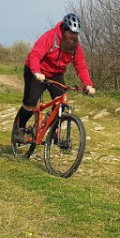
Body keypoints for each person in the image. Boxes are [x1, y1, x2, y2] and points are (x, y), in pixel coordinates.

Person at [13, 13, 96, 143]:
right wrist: (36, 72)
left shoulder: (75, 46)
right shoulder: (51, 37)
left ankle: (51, 130)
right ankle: (20, 129)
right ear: (64, 29)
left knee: (61, 103)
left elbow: (81, 65)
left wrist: (88, 84)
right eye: (70, 32)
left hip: (56, 73)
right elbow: (35, 54)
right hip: (36, 69)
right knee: (31, 102)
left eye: (76, 33)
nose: (73, 36)